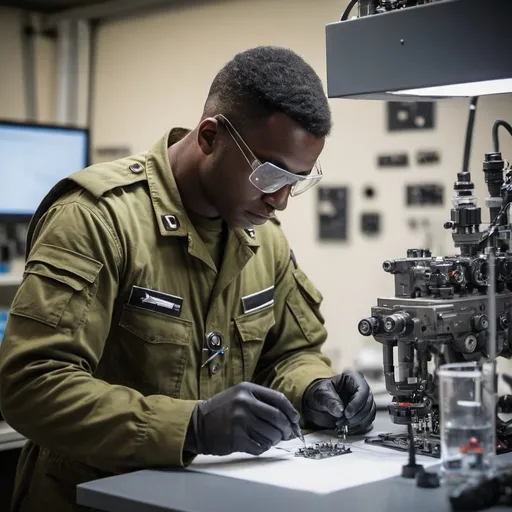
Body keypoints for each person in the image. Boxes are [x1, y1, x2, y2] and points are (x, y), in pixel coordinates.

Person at [0, 46, 376, 511]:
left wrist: (313, 388)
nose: (281, 201)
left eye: (296, 180)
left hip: (204, 497)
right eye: (270, 174)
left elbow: (291, 352)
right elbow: (31, 385)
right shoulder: (97, 219)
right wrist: (191, 426)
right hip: (91, 498)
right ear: (210, 138)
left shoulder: (263, 240)